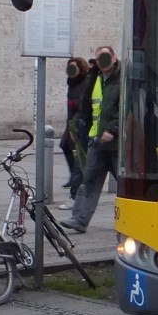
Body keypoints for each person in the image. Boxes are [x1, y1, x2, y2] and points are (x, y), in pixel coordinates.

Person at [61, 45, 121, 234]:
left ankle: (139, 219)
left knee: (126, 183)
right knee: (89, 180)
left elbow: (128, 108)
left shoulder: (123, 79)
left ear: (113, 58)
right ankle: (79, 219)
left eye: (105, 57)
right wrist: (78, 128)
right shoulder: (94, 78)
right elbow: (86, 106)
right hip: (96, 140)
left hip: (117, 143)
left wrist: (113, 129)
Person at [57, 56, 91, 208]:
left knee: (81, 160)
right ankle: (75, 182)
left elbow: (84, 103)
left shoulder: (85, 81)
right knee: (65, 146)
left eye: (74, 67)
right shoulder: (72, 82)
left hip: (80, 123)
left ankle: (76, 194)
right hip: (72, 122)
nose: (71, 70)